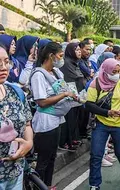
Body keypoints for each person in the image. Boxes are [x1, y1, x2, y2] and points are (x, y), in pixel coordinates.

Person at [30, 42, 77, 189]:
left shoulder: (56, 72)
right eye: (60, 56)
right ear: (51, 56)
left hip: (56, 120)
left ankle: (48, 185)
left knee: (51, 157)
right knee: (43, 160)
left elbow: (64, 89)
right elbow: (42, 102)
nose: (61, 59)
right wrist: (64, 94)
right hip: (45, 122)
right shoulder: (38, 75)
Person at [86, 58, 120, 189]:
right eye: (113, 71)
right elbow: (89, 105)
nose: (116, 74)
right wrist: (107, 112)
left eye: (118, 71)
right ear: (105, 70)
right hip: (101, 123)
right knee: (96, 154)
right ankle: (94, 184)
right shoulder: (96, 83)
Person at [0, 44, 33, 190]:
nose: (3, 67)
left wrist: (29, 143)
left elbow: (26, 124)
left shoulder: (15, 92)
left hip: (15, 173)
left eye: (6, 62)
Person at [59, 43, 84, 151]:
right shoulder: (66, 63)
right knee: (69, 119)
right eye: (76, 50)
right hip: (70, 95)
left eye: (79, 50)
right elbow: (70, 80)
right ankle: (66, 142)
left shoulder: (75, 63)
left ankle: (73, 138)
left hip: (77, 95)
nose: (79, 52)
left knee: (75, 119)